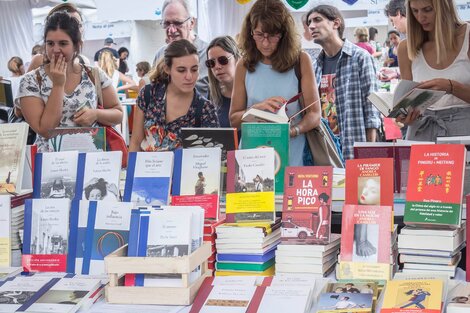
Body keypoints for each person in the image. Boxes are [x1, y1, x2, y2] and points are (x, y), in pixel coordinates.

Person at [230, 0, 321, 166]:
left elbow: (314, 114)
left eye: (272, 36)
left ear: (284, 34)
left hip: (292, 156)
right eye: (259, 35)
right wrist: (257, 108)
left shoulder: (301, 60)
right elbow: (234, 119)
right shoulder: (244, 64)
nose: (265, 43)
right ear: (250, 33)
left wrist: (292, 131)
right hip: (252, 159)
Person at [16, 11, 123, 152]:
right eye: (50, 43)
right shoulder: (31, 81)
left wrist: (96, 114)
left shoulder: (94, 74)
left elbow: (118, 113)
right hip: (52, 164)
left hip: (91, 161)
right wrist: (58, 85)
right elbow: (45, 130)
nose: (55, 49)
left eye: (63, 43)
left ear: (77, 45)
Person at [306, 5, 381, 160]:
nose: (312, 26)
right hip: (326, 150)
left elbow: (372, 108)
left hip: (353, 146)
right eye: (309, 22)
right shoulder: (314, 67)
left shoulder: (360, 57)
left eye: (317, 20)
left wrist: (368, 151)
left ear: (336, 23)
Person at [397, 0, 470, 141]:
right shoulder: (406, 48)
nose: (420, 17)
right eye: (415, 11)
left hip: (464, 132)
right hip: (421, 133)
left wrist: (450, 87)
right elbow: (407, 102)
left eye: (427, 9)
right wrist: (405, 116)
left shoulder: (467, 36)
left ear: (444, 8)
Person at [129, 39, 219, 152]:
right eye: (181, 70)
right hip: (147, 168)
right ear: (167, 69)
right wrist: (131, 169)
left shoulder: (206, 108)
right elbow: (136, 142)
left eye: (194, 69)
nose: (189, 76)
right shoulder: (148, 94)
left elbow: (210, 157)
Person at [153, 0, 209, 96]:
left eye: (177, 23)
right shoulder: (160, 54)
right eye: (166, 23)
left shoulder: (209, 54)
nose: (171, 30)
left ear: (191, 23)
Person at [27, 2, 90, 72]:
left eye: (79, 24)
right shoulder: (39, 60)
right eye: (69, 23)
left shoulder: (84, 62)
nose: (76, 29)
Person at [206, 36, 240, 128]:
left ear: (237, 59)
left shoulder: (251, 90)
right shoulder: (210, 94)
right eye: (211, 63)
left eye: (223, 60)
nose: (217, 66)